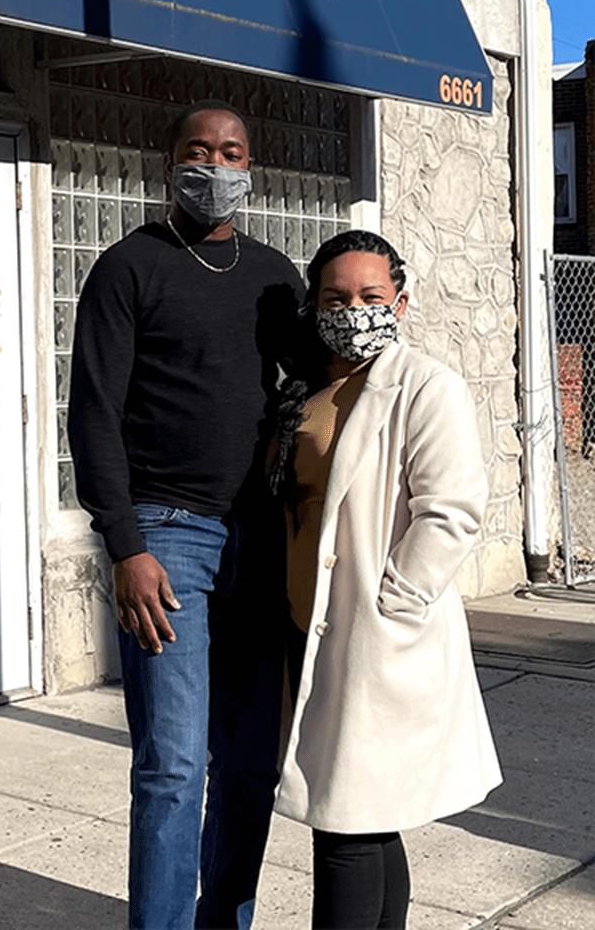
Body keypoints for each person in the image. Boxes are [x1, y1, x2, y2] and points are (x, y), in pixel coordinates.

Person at [68, 101, 303, 930]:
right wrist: (124, 543)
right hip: (166, 538)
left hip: (260, 543)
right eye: (198, 151)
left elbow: (317, 388)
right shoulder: (128, 268)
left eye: (231, 152)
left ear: (251, 167)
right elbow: (93, 414)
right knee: (171, 765)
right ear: (169, 164)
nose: (216, 166)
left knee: (247, 764)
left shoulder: (277, 275)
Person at [269, 230, 501, 930]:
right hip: (308, 626)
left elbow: (452, 512)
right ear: (314, 306)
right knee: (369, 818)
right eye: (336, 297)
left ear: (401, 299)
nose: (355, 308)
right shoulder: (305, 389)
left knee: (344, 821)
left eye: (372, 295)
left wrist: (392, 603)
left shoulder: (426, 386)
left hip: (376, 637)